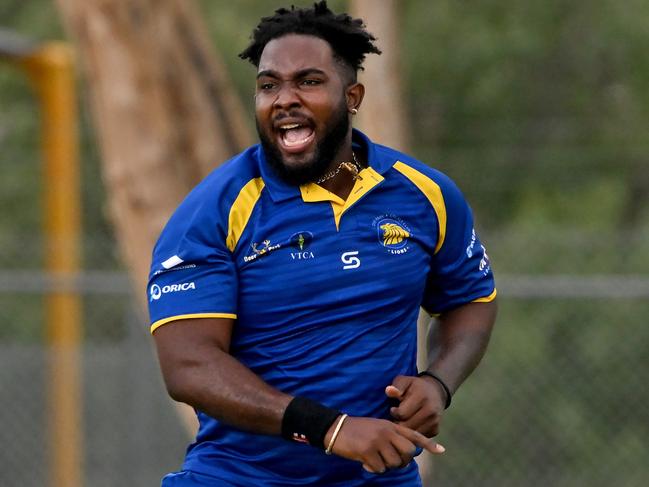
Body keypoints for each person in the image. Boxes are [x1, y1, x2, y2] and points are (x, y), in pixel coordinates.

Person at [147, 2, 497, 485]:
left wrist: (438, 383)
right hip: (237, 477)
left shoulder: (425, 195)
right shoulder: (213, 211)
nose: (284, 99)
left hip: (381, 478)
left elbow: (472, 300)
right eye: (269, 85)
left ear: (352, 96)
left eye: (308, 82)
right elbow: (189, 366)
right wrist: (330, 429)